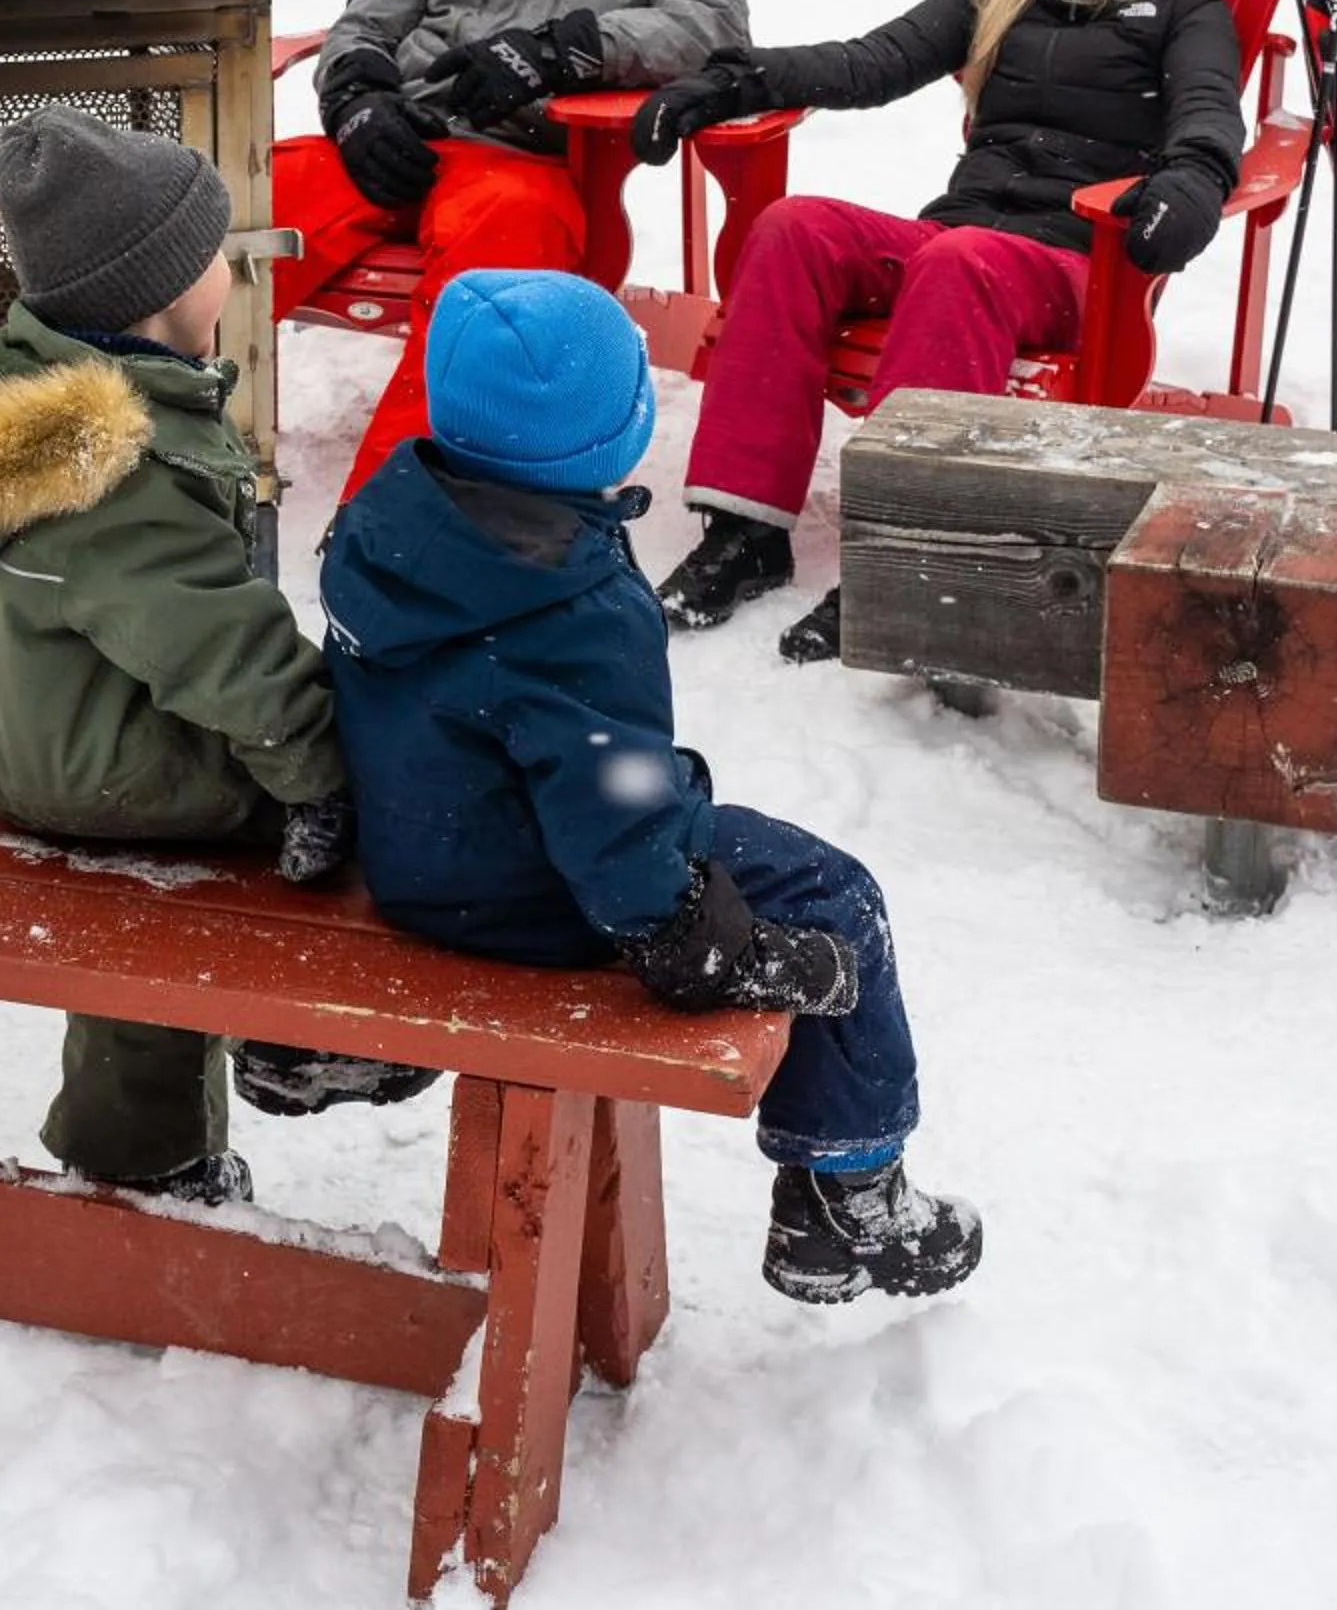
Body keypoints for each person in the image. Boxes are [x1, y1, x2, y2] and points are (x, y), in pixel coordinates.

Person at [320, 266, 983, 1307]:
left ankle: (828, 1205)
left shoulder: (389, 521)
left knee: (768, 866)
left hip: (418, 854)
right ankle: (853, 1188)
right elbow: (615, 816)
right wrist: (696, 935)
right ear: (604, 436)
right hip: (533, 896)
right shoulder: (566, 611)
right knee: (832, 895)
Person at [0, 108, 436, 1204]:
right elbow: (226, 655)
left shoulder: (12, 396)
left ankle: (140, 1157)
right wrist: (321, 780)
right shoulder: (118, 476)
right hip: (108, 778)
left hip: (38, 750)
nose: (227, 264)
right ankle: (299, 1042)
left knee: (140, 915)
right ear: (159, 291)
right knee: (368, 802)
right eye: (210, 251)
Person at [634, 0, 1247, 657]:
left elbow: (1210, 119)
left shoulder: (1186, 7)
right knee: (794, 229)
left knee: (961, 263)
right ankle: (745, 531)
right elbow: (868, 61)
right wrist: (732, 82)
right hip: (964, 242)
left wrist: (1189, 184)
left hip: (1078, 262)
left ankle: (901, 550)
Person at [276, 0, 748, 504]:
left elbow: (711, 25)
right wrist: (357, 100)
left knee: (492, 286)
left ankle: (399, 511)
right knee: (241, 216)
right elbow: (366, 22)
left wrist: (563, 49)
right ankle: (147, 453)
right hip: (396, 135)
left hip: (519, 160)